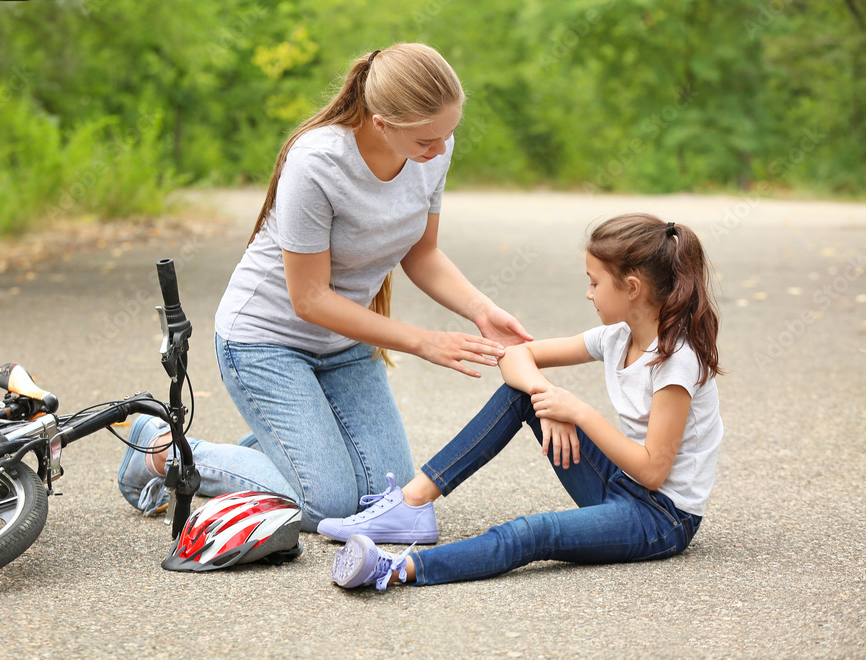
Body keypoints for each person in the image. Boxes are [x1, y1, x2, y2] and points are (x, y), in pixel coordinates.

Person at [117, 43, 531, 530]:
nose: (439, 150)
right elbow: (308, 299)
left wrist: (480, 309)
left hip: (347, 344)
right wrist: (423, 341)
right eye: (426, 140)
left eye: (449, 133)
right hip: (265, 343)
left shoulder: (431, 149)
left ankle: (299, 447)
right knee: (327, 503)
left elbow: (421, 252)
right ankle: (162, 451)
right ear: (381, 123)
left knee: (384, 496)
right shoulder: (317, 162)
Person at [321, 213, 724, 589]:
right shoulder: (616, 337)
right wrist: (547, 400)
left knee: (533, 533)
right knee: (522, 394)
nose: (588, 294)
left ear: (632, 288)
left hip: (660, 517)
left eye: (595, 282)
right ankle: (412, 502)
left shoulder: (675, 362)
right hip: (620, 483)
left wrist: (578, 413)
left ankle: (397, 569)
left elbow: (653, 471)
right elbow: (515, 355)